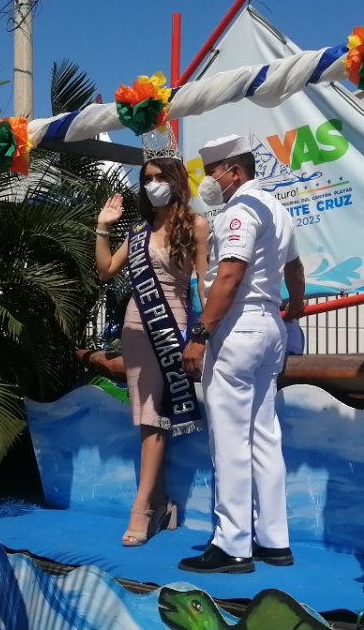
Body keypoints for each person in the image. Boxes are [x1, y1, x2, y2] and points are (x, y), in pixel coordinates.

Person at [179, 134, 306, 574]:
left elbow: (230, 275)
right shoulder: (278, 208)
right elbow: (294, 267)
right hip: (270, 325)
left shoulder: (239, 211)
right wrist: (296, 305)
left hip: (238, 326)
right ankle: (274, 541)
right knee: (265, 435)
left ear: (234, 172)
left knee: (231, 440)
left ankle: (232, 544)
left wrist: (199, 335)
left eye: (213, 171)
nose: (208, 180)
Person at [95, 153, 210, 547]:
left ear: (176, 181)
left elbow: (204, 285)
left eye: (159, 177)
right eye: (146, 178)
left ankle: (143, 506)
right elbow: (107, 270)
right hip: (134, 329)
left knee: (156, 416)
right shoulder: (139, 232)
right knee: (147, 417)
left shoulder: (196, 226)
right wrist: (102, 228)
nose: (152, 184)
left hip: (172, 329)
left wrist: (202, 334)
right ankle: (158, 501)